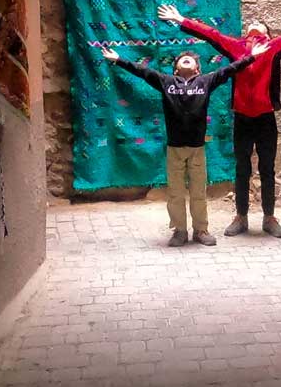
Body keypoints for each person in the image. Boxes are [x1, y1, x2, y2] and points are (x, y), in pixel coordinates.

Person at [158, 0, 281, 238]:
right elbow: (211, 34)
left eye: (261, 23)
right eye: (252, 22)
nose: (255, 23)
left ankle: (269, 217)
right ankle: (240, 216)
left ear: (268, 34)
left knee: (267, 168)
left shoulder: (274, 47)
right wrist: (182, 20)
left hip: (265, 119)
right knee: (242, 168)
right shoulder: (236, 46)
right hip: (242, 118)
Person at [100, 43, 265, 247]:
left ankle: (201, 230)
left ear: (197, 69)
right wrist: (118, 59)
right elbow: (142, 71)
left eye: (192, 59)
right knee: (176, 193)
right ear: (176, 68)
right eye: (182, 58)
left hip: (197, 149)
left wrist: (252, 57)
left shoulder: (206, 81)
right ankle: (179, 230)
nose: (186, 59)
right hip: (175, 149)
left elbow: (229, 70)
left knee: (198, 192)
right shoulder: (166, 81)